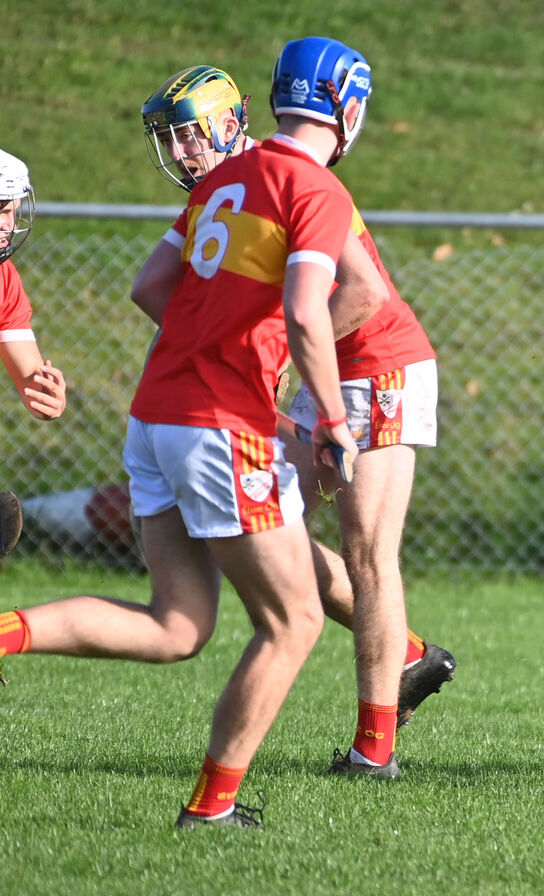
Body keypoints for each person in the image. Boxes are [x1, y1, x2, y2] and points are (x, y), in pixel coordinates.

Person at [0, 36, 374, 828]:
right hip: (215, 424)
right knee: (295, 620)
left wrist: (220, 344)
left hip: (155, 415)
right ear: (349, 107)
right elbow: (318, 307)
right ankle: (211, 809)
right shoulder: (317, 187)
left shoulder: (227, 179)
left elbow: (151, 285)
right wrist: (330, 418)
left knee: (177, 626)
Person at [137, 62, 455, 771]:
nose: (182, 153)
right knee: (261, 528)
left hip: (375, 366)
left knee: (368, 551)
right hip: (312, 364)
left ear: (230, 123)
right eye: (171, 139)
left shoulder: (285, 174)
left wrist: (271, 355)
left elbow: (360, 292)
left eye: (191, 135)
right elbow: (154, 289)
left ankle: (375, 752)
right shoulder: (230, 184)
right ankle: (404, 653)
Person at [0, 149, 68, 555]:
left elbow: (29, 376)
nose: (5, 224)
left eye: (9, 210)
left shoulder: (3, 278)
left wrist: (46, 394)